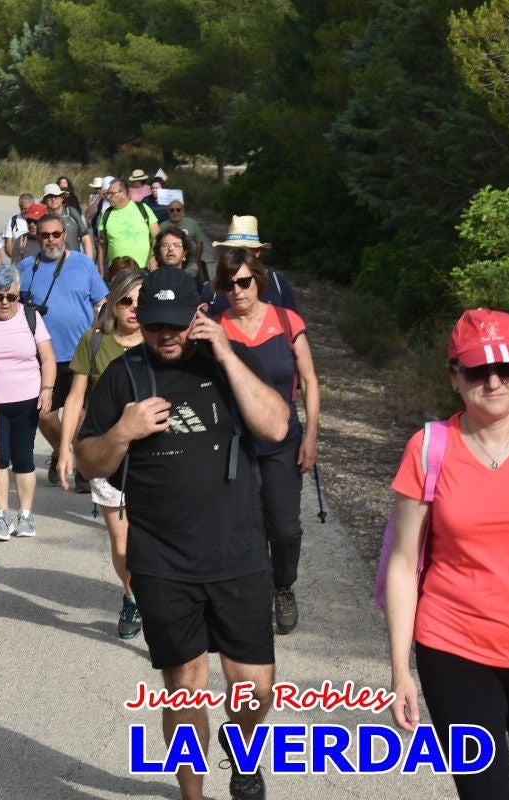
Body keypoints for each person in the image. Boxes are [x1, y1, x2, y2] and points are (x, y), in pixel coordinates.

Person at [75, 267, 290, 800]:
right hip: (162, 558)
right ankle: (192, 794)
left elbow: (277, 426)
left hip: (238, 550)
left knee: (252, 687)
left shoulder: (231, 363)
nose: (165, 336)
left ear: (198, 315)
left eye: (176, 325)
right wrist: (122, 433)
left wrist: (225, 355)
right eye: (154, 327)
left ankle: (243, 756)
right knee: (185, 690)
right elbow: (87, 461)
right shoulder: (124, 375)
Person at [385, 309, 509, 800]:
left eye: (506, 369)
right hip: (455, 650)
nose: (493, 381)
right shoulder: (428, 448)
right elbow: (403, 564)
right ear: (454, 375)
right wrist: (401, 670)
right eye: (477, 370)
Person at [214, 248, 319, 634]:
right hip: (237, 442)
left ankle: (283, 584)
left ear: (258, 279)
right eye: (228, 285)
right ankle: (251, 592)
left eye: (243, 281)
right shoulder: (218, 327)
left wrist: (310, 435)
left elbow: (308, 381)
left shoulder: (287, 321)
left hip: (283, 441)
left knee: (285, 528)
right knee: (244, 524)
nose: (237, 291)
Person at [56, 270, 144, 638]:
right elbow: (76, 398)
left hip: (156, 456)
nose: (134, 309)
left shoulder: (161, 339)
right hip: (108, 454)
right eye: (127, 301)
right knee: (121, 543)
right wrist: (65, 449)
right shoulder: (94, 342)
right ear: (112, 302)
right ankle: (133, 599)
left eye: (142, 301)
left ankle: (164, 595)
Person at [16, 213, 108, 486]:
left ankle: (81, 466)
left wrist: (101, 334)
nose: (51, 240)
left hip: (79, 354)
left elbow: (102, 302)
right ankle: (61, 451)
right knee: (44, 416)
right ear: (38, 236)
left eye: (56, 234)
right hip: (41, 357)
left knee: (78, 415)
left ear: (64, 235)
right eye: (45, 235)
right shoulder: (25, 267)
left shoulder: (83, 264)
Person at [0, 265, 55, 541]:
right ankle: (1, 516)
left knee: (24, 458)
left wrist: (47, 389)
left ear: (18, 294)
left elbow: (47, 358)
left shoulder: (30, 317)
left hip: (27, 401)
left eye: (11, 297)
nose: (5, 303)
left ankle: (26, 517)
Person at [203, 216, 298, 314]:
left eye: (245, 251)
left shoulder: (278, 283)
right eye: (234, 251)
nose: (237, 291)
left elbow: (292, 323)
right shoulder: (212, 290)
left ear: (257, 252)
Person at [96, 178, 159, 276]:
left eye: (111, 193)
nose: (108, 196)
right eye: (107, 193)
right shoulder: (106, 215)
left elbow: (157, 236)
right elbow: (101, 245)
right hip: (116, 271)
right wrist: (101, 271)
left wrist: (154, 257)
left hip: (144, 269)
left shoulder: (143, 208)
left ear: (123, 193)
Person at [42, 182, 94, 260]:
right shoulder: (43, 218)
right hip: (52, 263)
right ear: (45, 201)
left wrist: (89, 262)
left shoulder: (71, 212)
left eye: (56, 196)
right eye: (49, 197)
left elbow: (85, 238)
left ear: (62, 198)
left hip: (75, 261)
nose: (53, 199)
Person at [163, 200, 208, 281]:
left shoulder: (192, 223)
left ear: (183, 210)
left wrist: (196, 263)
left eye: (178, 209)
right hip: (170, 267)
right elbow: (158, 246)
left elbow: (199, 243)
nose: (175, 212)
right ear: (168, 212)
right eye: (172, 210)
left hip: (190, 266)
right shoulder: (163, 226)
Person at [2, 193, 35, 260]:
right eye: (24, 209)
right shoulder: (12, 221)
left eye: (29, 208)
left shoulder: (41, 220)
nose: (27, 211)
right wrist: (19, 260)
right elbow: (8, 246)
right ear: (19, 207)